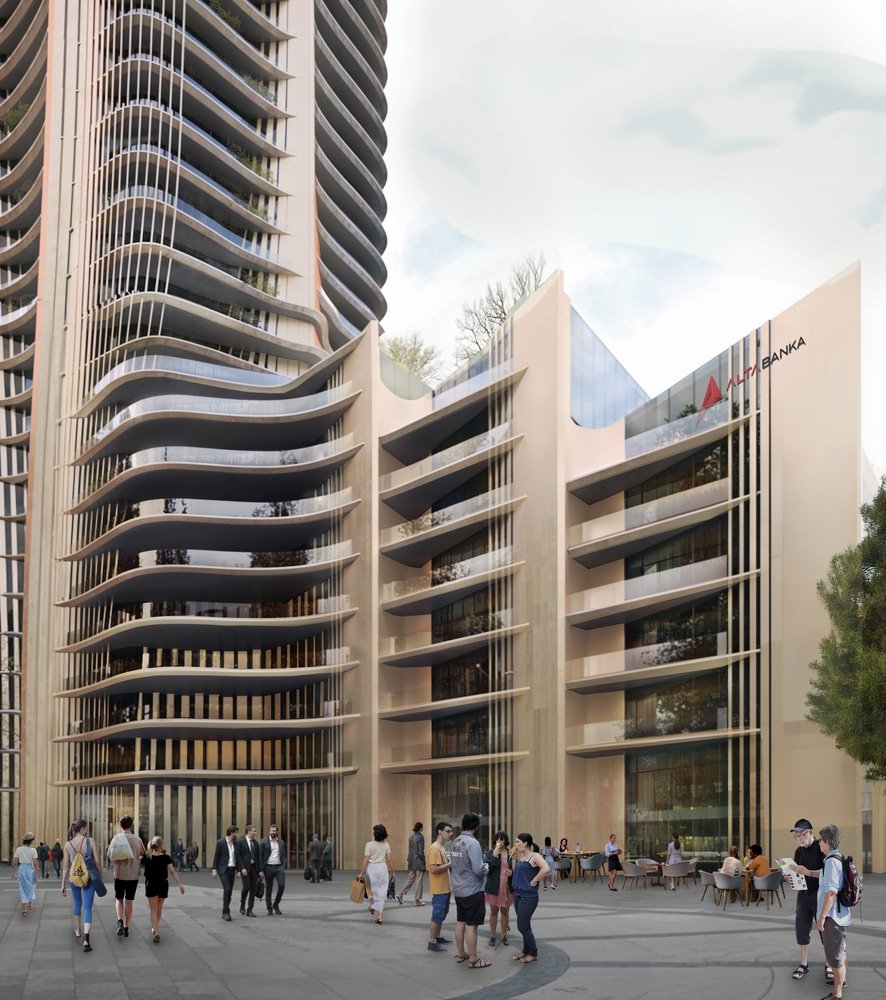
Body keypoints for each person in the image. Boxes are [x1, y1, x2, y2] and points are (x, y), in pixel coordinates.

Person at [787, 818, 828, 984]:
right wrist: (789, 874)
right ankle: (803, 965)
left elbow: (828, 872)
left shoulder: (821, 848)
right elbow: (798, 872)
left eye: (801, 835)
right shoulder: (798, 851)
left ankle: (830, 964)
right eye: (796, 836)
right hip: (803, 896)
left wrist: (809, 872)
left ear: (810, 832)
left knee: (825, 931)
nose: (799, 838)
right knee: (802, 931)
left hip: (820, 895)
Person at [449, 811, 491, 969]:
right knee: (472, 925)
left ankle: (461, 954)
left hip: (458, 888)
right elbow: (478, 870)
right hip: (472, 889)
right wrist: (487, 866)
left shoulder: (456, 841)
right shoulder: (473, 843)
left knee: (461, 921)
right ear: (476, 826)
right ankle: (473, 959)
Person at [815, 824, 850, 1000]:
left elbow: (831, 892)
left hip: (832, 918)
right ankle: (841, 982)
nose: (819, 843)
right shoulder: (838, 857)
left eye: (821, 840)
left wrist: (821, 918)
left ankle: (837, 994)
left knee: (835, 958)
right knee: (841, 951)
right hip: (841, 915)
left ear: (827, 842)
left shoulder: (830, 861)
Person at [510, 832, 549, 964]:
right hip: (518, 894)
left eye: (517, 841)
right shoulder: (522, 857)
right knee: (525, 925)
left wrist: (534, 880)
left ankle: (533, 953)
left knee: (522, 926)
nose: (515, 844)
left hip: (528, 896)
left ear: (525, 843)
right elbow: (516, 872)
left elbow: (546, 868)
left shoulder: (534, 856)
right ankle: (525, 951)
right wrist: (514, 858)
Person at [62, 819, 99, 952]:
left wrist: (63, 884)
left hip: (75, 878)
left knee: (77, 903)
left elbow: (66, 866)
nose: (87, 830)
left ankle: (77, 931)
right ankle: (86, 938)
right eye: (86, 828)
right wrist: (98, 875)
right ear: (82, 828)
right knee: (87, 907)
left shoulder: (67, 844)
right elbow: (97, 861)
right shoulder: (91, 841)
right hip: (89, 877)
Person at [107, 815, 146, 939]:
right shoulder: (136, 839)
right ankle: (127, 927)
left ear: (120, 825)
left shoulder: (116, 838)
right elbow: (144, 854)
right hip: (133, 876)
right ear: (131, 825)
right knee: (129, 901)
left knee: (119, 899)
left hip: (119, 875)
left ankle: (120, 921)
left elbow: (109, 855)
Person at [142, 836, 185, 944]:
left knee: (153, 910)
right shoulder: (166, 858)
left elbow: (139, 864)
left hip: (151, 885)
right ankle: (155, 928)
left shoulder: (147, 857)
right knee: (159, 909)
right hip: (162, 885)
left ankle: (156, 931)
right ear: (161, 846)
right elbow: (173, 871)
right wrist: (180, 884)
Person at [358, 824, 395, 925]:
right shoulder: (386, 845)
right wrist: (392, 871)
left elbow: (366, 859)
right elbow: (390, 860)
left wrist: (361, 872)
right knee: (382, 892)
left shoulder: (369, 845)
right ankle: (379, 916)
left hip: (372, 869)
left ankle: (373, 906)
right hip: (383, 869)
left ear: (375, 834)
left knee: (372, 891)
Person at [427, 820, 454, 952]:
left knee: (442, 913)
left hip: (445, 887)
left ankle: (437, 937)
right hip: (439, 888)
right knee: (437, 914)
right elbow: (433, 869)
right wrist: (451, 864)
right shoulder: (435, 848)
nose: (451, 833)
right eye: (448, 831)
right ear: (440, 832)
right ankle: (432, 941)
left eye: (451, 831)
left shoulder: (441, 847)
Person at [484, 831, 513, 947]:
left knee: (505, 911)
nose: (499, 842)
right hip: (494, 885)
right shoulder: (490, 853)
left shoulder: (510, 852)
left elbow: (514, 868)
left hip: (506, 886)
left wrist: (512, 872)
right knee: (494, 911)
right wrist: (495, 856)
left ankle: (504, 935)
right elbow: (488, 870)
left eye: (501, 839)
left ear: (505, 840)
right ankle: (492, 936)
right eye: (497, 840)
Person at [211, 825, 239, 920]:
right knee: (227, 889)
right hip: (223, 870)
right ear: (231, 833)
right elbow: (216, 856)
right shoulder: (221, 842)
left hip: (232, 869)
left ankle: (225, 911)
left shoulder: (236, 843)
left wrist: (238, 871)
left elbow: (238, 858)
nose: (237, 835)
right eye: (236, 833)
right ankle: (226, 912)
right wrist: (214, 870)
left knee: (229, 891)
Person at [397, 821, 426, 905]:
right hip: (419, 861)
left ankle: (400, 894)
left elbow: (410, 850)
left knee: (410, 879)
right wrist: (424, 862)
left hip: (411, 861)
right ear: (420, 828)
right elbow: (420, 852)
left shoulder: (411, 836)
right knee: (419, 880)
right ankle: (417, 900)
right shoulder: (420, 837)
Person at [260, 824, 286, 915]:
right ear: (269, 831)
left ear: (277, 832)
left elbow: (283, 854)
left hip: (279, 868)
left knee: (282, 886)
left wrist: (283, 865)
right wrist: (261, 870)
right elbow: (260, 856)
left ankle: (276, 904)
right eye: (271, 830)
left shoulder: (281, 842)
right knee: (269, 888)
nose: (273, 832)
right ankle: (269, 908)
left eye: (274, 831)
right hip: (268, 867)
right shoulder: (263, 842)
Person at [236, 824, 262, 916]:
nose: (255, 832)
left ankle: (250, 910)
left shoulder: (256, 843)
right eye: (254, 831)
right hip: (245, 869)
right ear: (249, 831)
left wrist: (260, 870)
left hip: (254, 869)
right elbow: (238, 857)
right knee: (246, 887)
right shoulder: (240, 842)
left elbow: (258, 858)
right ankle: (242, 904)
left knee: (253, 889)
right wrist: (241, 868)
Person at [12, 832, 39, 917]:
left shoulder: (19, 849)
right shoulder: (33, 850)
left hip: (21, 869)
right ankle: (28, 906)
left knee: (22, 887)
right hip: (29, 870)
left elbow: (14, 862)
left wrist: (15, 872)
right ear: (31, 841)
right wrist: (36, 875)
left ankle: (24, 909)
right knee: (31, 886)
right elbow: (35, 864)